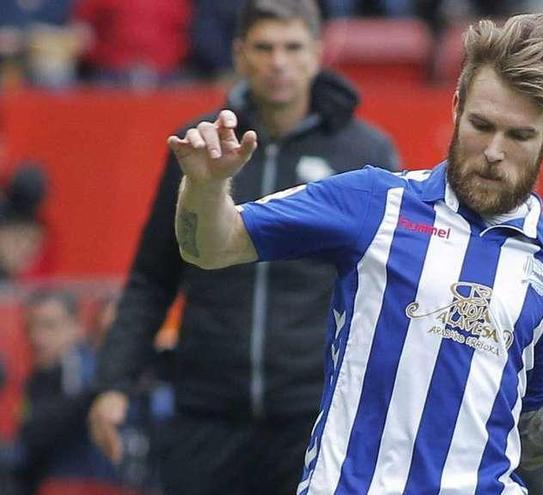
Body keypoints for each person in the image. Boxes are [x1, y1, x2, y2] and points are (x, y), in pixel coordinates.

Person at [169, 14, 543, 493]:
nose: (493, 152)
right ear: (456, 107)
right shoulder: (374, 203)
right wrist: (205, 188)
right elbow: (210, 247)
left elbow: (528, 438)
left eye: (518, 136)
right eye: (481, 125)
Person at [87, 1, 399, 494]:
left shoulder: (363, 154)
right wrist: (112, 382)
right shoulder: (201, 147)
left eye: (292, 47)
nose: (278, 62)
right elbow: (153, 275)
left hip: (313, 417)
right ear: (239, 53)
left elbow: (388, 285)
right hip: (207, 413)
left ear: (317, 53)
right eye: (264, 47)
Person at [15, 290, 117, 494]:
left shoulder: (83, 373)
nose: (37, 337)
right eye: (31, 327)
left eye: (49, 326)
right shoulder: (41, 375)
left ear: (76, 327)